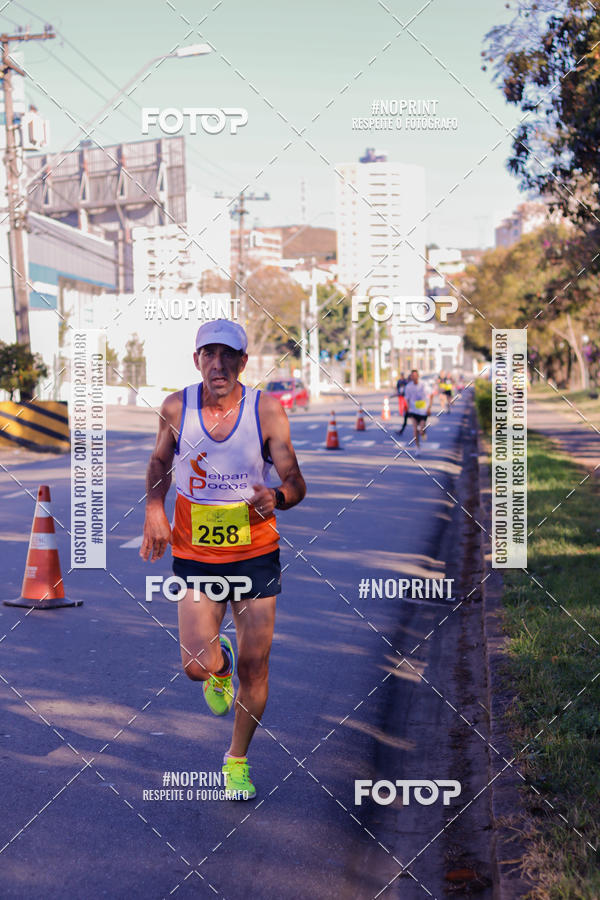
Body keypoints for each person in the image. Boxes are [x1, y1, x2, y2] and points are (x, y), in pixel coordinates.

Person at [140, 319, 306, 800]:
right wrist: (153, 508)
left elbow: (296, 482)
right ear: (197, 361)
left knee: (257, 668)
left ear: (243, 362)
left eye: (228, 355)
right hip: (196, 552)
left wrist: (277, 496)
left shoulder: (266, 411)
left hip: (255, 552)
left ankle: (236, 761)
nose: (218, 364)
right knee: (195, 664)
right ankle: (218, 666)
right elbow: (159, 462)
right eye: (208, 354)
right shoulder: (177, 407)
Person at [404, 369, 433, 455]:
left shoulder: (424, 384)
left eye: (415, 375)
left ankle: (423, 432)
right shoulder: (408, 386)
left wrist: (429, 408)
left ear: (418, 376)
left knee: (421, 429)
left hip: (423, 410)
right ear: (411, 377)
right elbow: (407, 399)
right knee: (415, 429)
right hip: (413, 410)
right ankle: (417, 447)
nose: (414, 377)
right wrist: (408, 409)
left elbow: (431, 395)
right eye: (412, 376)